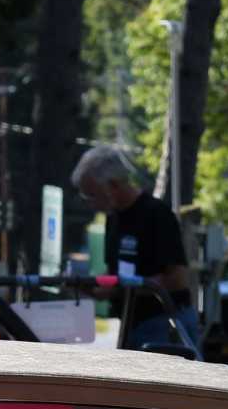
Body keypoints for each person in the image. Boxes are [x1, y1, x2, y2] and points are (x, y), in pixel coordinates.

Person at [70, 145, 201, 352]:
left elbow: (177, 279)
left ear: (113, 185)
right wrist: (85, 285)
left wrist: (128, 288)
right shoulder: (113, 219)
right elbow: (114, 275)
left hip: (165, 322)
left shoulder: (156, 214)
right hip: (132, 322)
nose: (90, 204)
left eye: (92, 195)